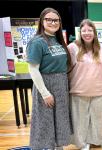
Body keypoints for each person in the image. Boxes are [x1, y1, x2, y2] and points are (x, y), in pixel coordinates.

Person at [26, 7, 72, 150]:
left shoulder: (58, 40)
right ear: (42, 21)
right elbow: (33, 69)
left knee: (60, 120)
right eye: (49, 19)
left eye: (56, 20)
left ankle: (59, 147)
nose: (53, 22)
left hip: (61, 85)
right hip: (46, 85)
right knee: (44, 122)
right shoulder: (37, 42)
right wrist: (45, 93)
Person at [68, 19, 102, 150]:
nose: (87, 33)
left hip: (99, 90)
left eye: (90, 30)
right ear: (80, 32)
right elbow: (65, 68)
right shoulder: (72, 48)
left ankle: (100, 139)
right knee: (80, 120)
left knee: (99, 118)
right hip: (78, 90)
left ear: (94, 32)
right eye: (84, 30)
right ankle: (82, 143)